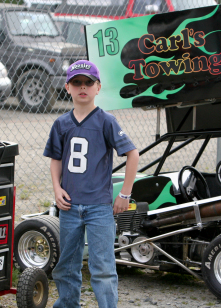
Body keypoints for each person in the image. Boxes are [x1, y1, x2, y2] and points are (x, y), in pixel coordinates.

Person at [43, 59, 139, 308]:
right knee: (67, 265)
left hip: (99, 207)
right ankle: (67, 305)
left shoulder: (106, 121)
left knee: (102, 267)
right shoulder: (61, 124)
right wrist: (57, 188)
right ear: (67, 87)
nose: (82, 87)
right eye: (77, 83)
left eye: (88, 82)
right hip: (69, 207)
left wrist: (125, 194)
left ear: (98, 87)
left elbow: (132, 154)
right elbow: (56, 159)